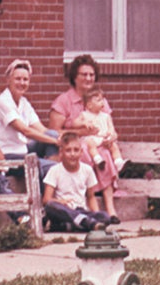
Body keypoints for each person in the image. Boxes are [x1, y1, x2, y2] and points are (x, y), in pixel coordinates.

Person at [52, 55, 122, 211]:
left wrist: (111, 137)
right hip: (72, 148)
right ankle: (88, 205)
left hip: (97, 145)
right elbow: (53, 132)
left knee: (104, 154)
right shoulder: (64, 101)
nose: (89, 78)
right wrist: (79, 132)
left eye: (91, 75)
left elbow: (110, 126)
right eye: (84, 74)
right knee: (83, 152)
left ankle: (110, 209)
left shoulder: (100, 100)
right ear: (74, 77)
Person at [0, 57, 59, 193]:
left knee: (52, 134)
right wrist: (57, 142)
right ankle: (46, 197)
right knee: (49, 165)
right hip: (7, 154)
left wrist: (64, 139)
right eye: (18, 79)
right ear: (8, 80)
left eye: (25, 79)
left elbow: (42, 129)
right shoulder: (2, 102)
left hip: (23, 150)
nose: (22, 83)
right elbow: (25, 131)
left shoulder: (24, 102)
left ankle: (51, 177)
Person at [40, 132, 103, 235]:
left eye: (76, 150)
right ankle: (83, 223)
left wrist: (96, 215)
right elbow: (46, 200)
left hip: (80, 210)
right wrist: (60, 201)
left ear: (81, 152)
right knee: (51, 206)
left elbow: (91, 197)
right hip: (63, 210)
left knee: (105, 217)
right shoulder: (55, 170)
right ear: (61, 152)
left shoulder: (87, 170)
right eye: (68, 150)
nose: (73, 154)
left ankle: (70, 225)